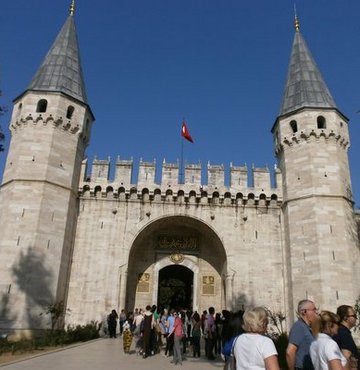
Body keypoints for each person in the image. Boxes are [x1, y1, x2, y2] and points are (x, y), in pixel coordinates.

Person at [286, 300, 318, 370]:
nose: (316, 312)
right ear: (304, 312)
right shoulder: (299, 326)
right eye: (314, 309)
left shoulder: (307, 327)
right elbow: (290, 352)